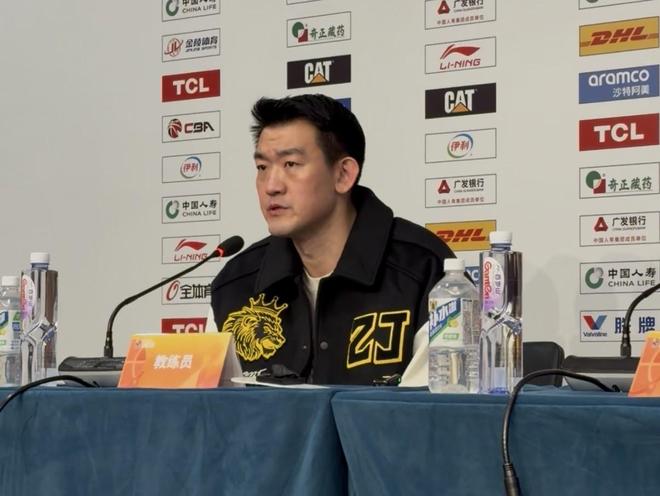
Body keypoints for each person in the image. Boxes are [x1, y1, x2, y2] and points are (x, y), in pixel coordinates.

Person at [209, 94, 454, 385]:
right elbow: (208, 406)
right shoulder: (235, 285)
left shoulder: (426, 270)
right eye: (262, 167)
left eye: (290, 164)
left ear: (343, 174)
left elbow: (437, 405)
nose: (271, 186)